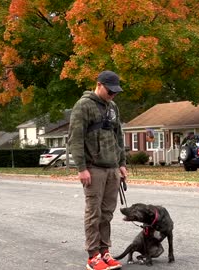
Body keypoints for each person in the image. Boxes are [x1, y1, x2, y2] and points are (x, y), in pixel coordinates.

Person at [68, 70, 128, 270]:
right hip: (93, 169)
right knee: (93, 213)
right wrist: (81, 168)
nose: (112, 95)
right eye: (110, 91)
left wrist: (122, 164)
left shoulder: (113, 107)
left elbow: (118, 136)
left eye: (115, 92)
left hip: (112, 169)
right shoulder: (83, 106)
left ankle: (105, 251)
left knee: (107, 214)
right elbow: (75, 139)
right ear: (99, 84)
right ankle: (93, 256)